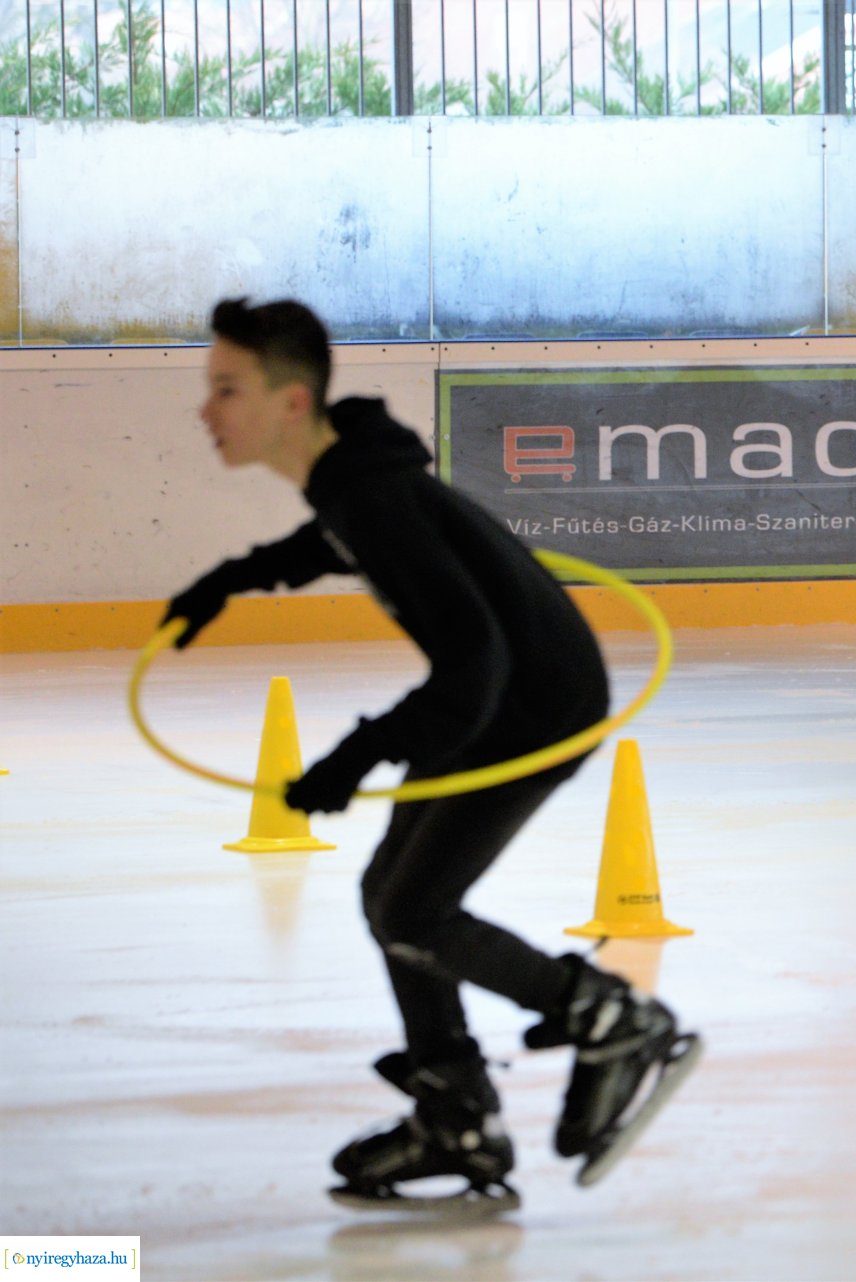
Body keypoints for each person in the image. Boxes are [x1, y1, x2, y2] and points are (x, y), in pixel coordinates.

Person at [163, 297, 699, 1213]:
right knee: (392, 900)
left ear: (291, 402)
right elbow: (339, 542)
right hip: (499, 698)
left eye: (226, 389)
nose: (205, 410)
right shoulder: (354, 483)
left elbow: (471, 661)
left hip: (533, 705)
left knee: (416, 908)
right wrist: (236, 578)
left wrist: (355, 756)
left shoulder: (369, 492)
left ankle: (610, 1017)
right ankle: (455, 1114)